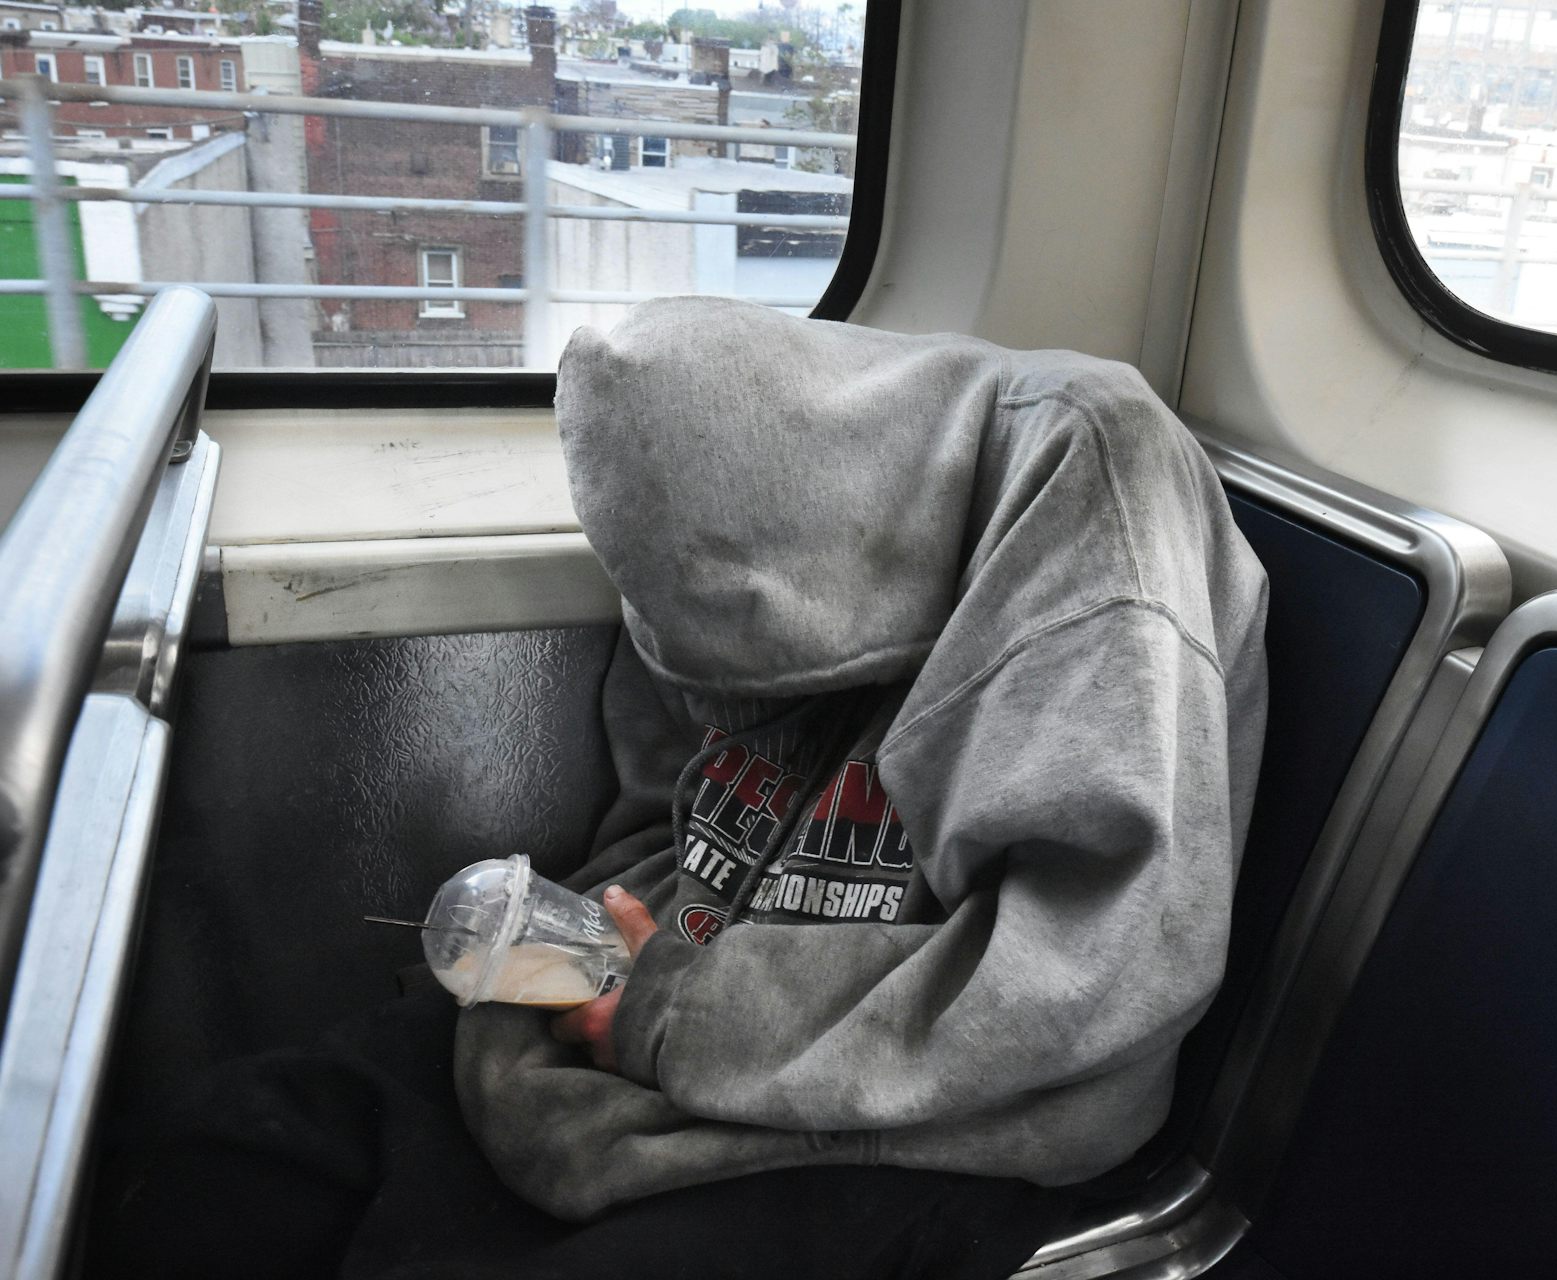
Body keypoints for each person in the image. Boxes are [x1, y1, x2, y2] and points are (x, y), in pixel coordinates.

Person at [87, 298, 1268, 1279]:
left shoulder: (1089, 482)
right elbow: (673, 815)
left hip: (938, 1112)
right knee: (218, 1156)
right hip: (670, 1000)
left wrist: (667, 1004)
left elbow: (1085, 976)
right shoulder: (690, 506)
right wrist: (583, 943)